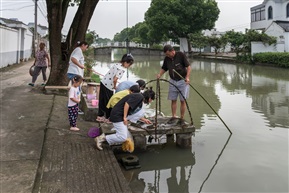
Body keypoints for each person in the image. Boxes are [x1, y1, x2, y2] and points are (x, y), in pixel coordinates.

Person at [157, 45, 191, 124]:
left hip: (182, 81)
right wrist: (159, 74)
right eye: (166, 55)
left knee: (183, 100)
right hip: (172, 81)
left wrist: (187, 77)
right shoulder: (167, 58)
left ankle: (182, 118)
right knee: (173, 100)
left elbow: (188, 67)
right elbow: (164, 68)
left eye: (168, 54)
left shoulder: (181, 55)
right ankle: (174, 116)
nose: (168, 56)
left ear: (172, 51)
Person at [96, 53, 134, 123]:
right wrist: (114, 86)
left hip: (103, 82)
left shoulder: (117, 64)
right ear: (125, 62)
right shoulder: (122, 69)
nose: (129, 66)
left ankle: (100, 116)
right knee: (109, 102)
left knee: (102, 100)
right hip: (108, 86)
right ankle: (108, 118)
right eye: (129, 64)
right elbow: (115, 79)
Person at [66, 41, 89, 115]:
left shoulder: (77, 50)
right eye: (86, 47)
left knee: (74, 91)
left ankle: (73, 107)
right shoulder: (78, 50)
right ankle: (75, 108)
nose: (86, 49)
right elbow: (73, 59)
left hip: (74, 72)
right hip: (75, 73)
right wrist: (80, 66)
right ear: (83, 45)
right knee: (76, 92)